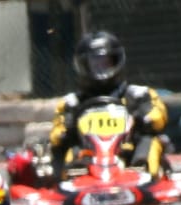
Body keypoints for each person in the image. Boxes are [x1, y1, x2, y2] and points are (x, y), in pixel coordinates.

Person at [48, 31, 168, 178]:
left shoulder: (139, 95)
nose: (100, 67)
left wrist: (142, 117)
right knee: (70, 150)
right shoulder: (71, 103)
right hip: (88, 156)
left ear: (116, 61)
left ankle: (144, 175)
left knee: (151, 140)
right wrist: (68, 127)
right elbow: (56, 136)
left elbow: (158, 118)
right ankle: (74, 179)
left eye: (105, 62)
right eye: (95, 63)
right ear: (84, 65)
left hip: (128, 152)